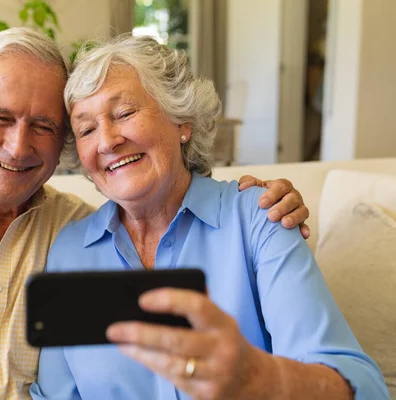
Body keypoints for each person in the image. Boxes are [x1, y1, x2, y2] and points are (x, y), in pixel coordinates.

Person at [0, 28, 309, 399]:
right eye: (0, 119)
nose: (18, 148)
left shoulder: (80, 238)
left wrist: (256, 205)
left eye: (43, 126)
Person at [30, 35, 390, 400]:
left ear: (182, 121)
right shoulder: (69, 252)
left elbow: (364, 389)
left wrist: (260, 378)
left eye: (124, 113)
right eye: (87, 129)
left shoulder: (258, 217)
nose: (106, 141)